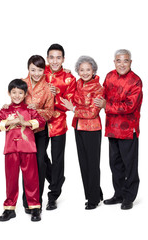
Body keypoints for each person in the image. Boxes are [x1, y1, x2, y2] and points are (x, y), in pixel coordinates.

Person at [94, 49, 143, 210]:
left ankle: (129, 197)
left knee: (130, 165)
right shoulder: (109, 76)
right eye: (119, 60)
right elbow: (102, 92)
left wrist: (105, 105)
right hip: (111, 128)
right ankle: (119, 194)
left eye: (125, 61)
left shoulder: (135, 81)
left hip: (128, 130)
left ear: (130, 62)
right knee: (115, 164)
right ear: (114, 62)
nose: (122, 64)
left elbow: (129, 106)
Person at [0, 79, 46, 221]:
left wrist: (25, 123)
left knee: (31, 179)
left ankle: (34, 207)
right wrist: (10, 122)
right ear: (9, 93)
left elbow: (41, 121)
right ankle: (9, 209)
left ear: (25, 94)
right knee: (11, 180)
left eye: (20, 93)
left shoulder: (29, 109)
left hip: (28, 149)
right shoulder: (5, 110)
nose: (17, 95)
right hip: (11, 149)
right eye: (14, 92)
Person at [61, 56, 104, 209]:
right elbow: (68, 82)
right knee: (84, 163)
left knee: (92, 164)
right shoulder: (78, 83)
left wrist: (73, 109)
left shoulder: (98, 88)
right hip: (78, 127)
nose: (85, 72)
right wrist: (65, 71)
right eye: (81, 69)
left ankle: (93, 200)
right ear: (78, 71)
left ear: (93, 71)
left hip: (92, 129)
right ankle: (95, 193)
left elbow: (92, 112)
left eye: (88, 69)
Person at [44, 43, 76, 210]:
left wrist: (56, 95)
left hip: (58, 124)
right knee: (39, 155)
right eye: (51, 57)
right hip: (40, 123)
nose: (55, 61)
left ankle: (53, 194)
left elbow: (70, 104)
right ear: (47, 58)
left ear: (63, 59)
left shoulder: (69, 78)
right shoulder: (40, 72)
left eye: (58, 57)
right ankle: (57, 179)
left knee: (57, 160)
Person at [22, 55, 54, 213]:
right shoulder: (21, 84)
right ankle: (26, 201)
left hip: (41, 131)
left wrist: (36, 110)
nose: (36, 73)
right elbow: (15, 102)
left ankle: (37, 202)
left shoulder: (47, 88)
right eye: (33, 69)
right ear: (28, 68)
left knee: (40, 163)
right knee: (27, 165)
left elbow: (50, 112)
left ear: (44, 70)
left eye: (39, 70)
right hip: (24, 131)